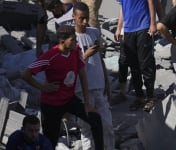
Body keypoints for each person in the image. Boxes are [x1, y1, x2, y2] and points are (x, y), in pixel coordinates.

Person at [21, 25, 104, 149]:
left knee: (95, 118)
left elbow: (82, 75)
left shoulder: (75, 50)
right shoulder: (50, 56)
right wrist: (42, 88)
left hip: (69, 99)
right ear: (62, 41)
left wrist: (87, 103)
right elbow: (25, 74)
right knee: (51, 141)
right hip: (51, 105)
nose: (76, 42)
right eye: (73, 40)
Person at [72, 2, 115, 149]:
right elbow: (69, 66)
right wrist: (85, 55)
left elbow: (99, 59)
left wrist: (107, 83)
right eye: (81, 18)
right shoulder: (70, 38)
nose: (84, 22)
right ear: (74, 17)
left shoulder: (94, 32)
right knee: (87, 129)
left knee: (107, 126)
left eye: (86, 18)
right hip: (81, 91)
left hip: (99, 86)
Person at [114, 0, 157, 112]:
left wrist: (153, 23)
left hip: (143, 27)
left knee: (145, 64)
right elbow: (122, 9)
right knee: (133, 65)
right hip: (128, 30)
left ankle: (150, 97)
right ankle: (140, 97)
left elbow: (151, 2)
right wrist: (119, 28)